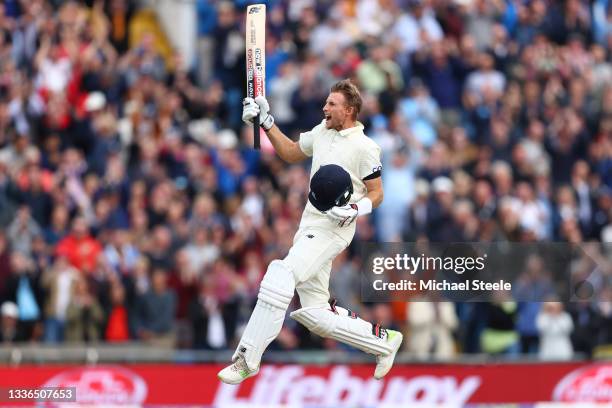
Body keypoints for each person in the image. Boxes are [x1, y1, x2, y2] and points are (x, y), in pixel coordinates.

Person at [218, 79, 403, 384]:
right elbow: (291, 153)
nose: (324, 108)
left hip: (335, 227)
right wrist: (266, 122)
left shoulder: (366, 147)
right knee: (315, 313)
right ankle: (383, 341)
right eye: (326, 102)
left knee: (280, 274)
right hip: (309, 225)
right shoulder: (322, 131)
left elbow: (377, 193)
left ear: (350, 110)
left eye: (332, 104)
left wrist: (356, 209)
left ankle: (246, 358)